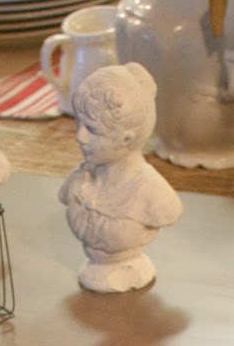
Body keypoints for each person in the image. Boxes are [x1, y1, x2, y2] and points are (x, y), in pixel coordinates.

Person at [59, 62, 183, 292]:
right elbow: (63, 196)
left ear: (126, 139)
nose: (80, 137)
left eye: (92, 130)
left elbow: (169, 212)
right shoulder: (79, 178)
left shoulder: (152, 192)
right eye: (78, 124)